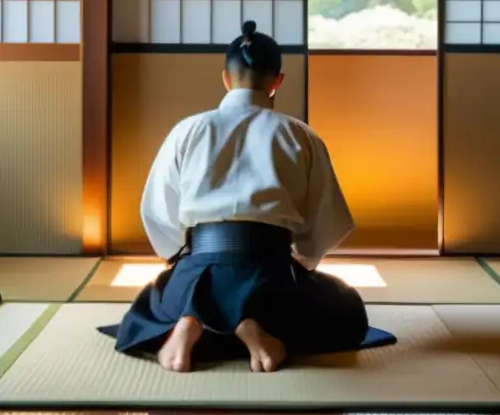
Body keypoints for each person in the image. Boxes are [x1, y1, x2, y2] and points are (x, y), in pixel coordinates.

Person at [98, 20, 395, 372]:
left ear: (225, 77)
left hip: (200, 269)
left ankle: (190, 321)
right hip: (271, 273)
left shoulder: (188, 130)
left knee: (158, 298)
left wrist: (181, 257)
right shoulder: (300, 135)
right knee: (343, 306)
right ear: (277, 82)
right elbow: (324, 219)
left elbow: (158, 211)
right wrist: (304, 260)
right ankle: (253, 325)